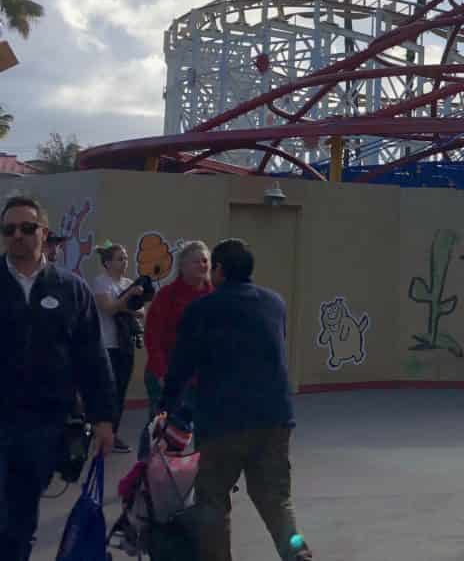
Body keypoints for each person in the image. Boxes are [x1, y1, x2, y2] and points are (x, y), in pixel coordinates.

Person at [162, 238, 313, 561]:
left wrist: (166, 408)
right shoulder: (275, 303)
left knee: (213, 501)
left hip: (221, 423)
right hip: (274, 419)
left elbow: (180, 367)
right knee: (277, 501)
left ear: (218, 270)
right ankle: (298, 553)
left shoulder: (201, 309)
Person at [0, 195, 117, 561]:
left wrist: (103, 419)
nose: (17, 235)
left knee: (19, 519)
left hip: (42, 425)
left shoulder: (70, 289)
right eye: (9, 229)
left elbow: (92, 358)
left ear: (44, 232)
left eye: (27, 227)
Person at [143, 240, 212, 437]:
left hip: (202, 379)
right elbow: (152, 336)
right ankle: (149, 467)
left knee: (205, 437)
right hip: (168, 375)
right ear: (182, 266)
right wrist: (162, 372)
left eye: (205, 261)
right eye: (196, 261)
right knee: (162, 435)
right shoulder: (167, 295)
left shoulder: (214, 295)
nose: (202, 265)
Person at [93, 242, 143, 453]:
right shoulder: (100, 282)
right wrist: (129, 298)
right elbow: (109, 308)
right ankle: (98, 432)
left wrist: (134, 303)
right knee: (106, 391)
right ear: (107, 263)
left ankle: (113, 434)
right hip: (107, 345)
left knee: (121, 390)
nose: (125, 262)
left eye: (125, 258)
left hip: (125, 344)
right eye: (120, 258)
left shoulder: (129, 283)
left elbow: (141, 312)